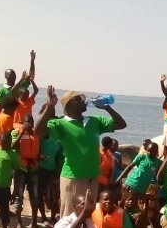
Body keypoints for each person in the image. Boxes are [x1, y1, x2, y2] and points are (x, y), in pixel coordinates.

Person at [35, 86, 127, 218]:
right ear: (69, 105)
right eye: (78, 99)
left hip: (92, 179)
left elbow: (121, 125)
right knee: (69, 217)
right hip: (73, 178)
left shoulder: (94, 121)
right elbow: (38, 131)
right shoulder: (61, 123)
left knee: (88, 217)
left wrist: (107, 107)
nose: (83, 101)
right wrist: (50, 106)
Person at [11, 115, 40, 228]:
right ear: (21, 122)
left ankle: (34, 223)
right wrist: (22, 132)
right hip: (20, 169)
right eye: (27, 121)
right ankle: (19, 223)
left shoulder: (36, 134)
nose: (30, 124)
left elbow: (38, 149)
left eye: (32, 122)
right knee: (19, 197)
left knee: (35, 197)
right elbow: (12, 146)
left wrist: (40, 156)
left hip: (33, 169)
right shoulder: (15, 132)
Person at [37, 127, 62, 227]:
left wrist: (57, 171)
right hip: (40, 169)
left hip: (52, 170)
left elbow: (59, 157)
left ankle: (52, 217)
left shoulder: (59, 142)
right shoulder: (41, 138)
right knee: (39, 194)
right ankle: (43, 217)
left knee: (54, 195)